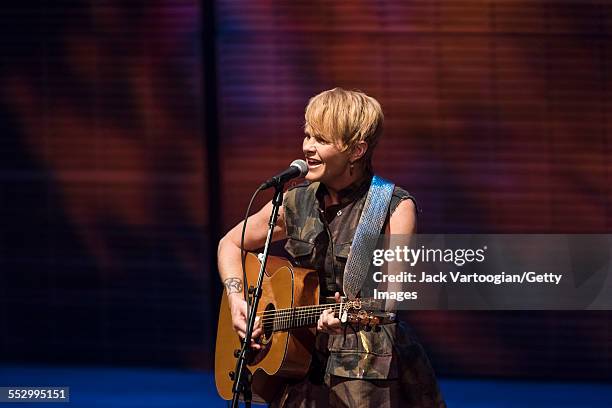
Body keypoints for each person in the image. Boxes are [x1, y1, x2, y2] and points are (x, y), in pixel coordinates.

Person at [217, 88, 446, 407]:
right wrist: (238, 300)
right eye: (308, 135)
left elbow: (391, 298)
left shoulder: (392, 206)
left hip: (363, 368)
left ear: (356, 150)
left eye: (321, 140)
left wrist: (341, 316)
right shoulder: (295, 201)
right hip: (298, 366)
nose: (308, 147)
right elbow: (230, 243)